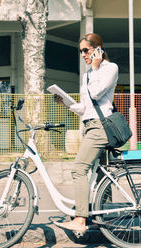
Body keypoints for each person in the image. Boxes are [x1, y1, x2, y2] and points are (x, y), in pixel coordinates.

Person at [53, 33, 119, 233]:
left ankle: (80, 219)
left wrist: (97, 67)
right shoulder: (88, 73)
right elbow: (86, 106)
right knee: (98, 174)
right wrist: (66, 103)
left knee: (78, 169)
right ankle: (103, 215)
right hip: (90, 125)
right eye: (80, 51)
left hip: (101, 127)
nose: (82, 54)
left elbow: (97, 93)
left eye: (85, 50)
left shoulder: (110, 68)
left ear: (98, 48)